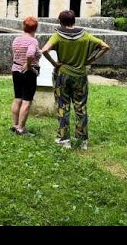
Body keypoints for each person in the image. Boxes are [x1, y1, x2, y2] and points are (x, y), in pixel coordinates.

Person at [41, 10, 111, 150]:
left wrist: (55, 64)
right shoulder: (85, 36)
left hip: (63, 76)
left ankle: (64, 139)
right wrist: (91, 60)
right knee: (81, 107)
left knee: (63, 106)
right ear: (74, 20)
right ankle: (82, 139)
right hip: (80, 76)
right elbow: (105, 46)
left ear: (60, 21)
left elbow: (44, 50)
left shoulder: (58, 36)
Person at [10, 16, 41, 135]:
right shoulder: (33, 41)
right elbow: (29, 54)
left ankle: (14, 125)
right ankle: (21, 128)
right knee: (26, 100)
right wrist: (28, 65)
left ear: (24, 27)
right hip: (28, 72)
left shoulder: (16, 39)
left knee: (17, 98)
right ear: (35, 28)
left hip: (16, 70)